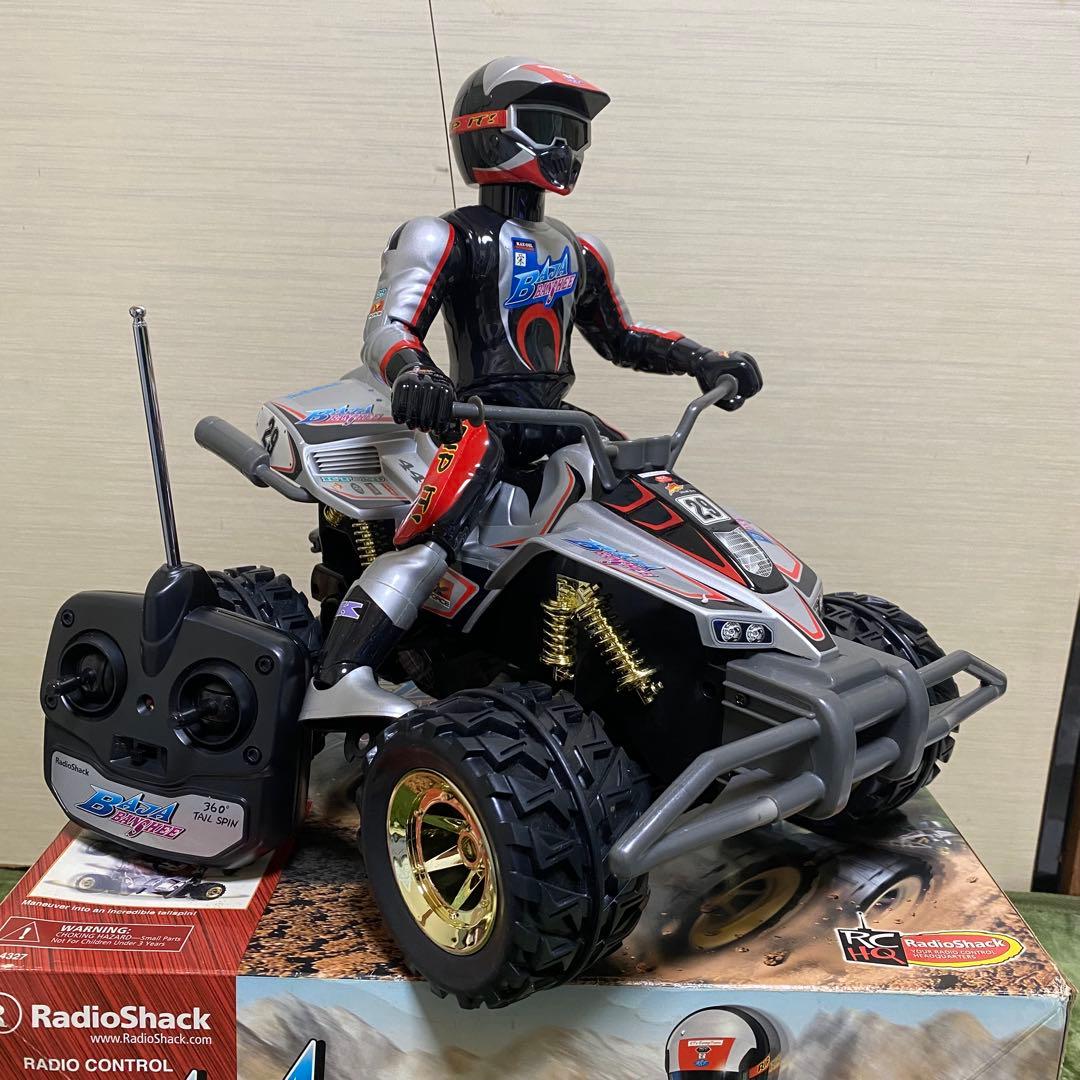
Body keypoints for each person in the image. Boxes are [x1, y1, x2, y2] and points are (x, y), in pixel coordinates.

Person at [306, 56, 762, 719]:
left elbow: (622, 337)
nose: (565, 148)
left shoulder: (579, 249)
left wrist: (704, 359)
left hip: (559, 422)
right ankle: (337, 679)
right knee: (431, 543)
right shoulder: (444, 235)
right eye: (549, 128)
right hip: (476, 421)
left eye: (575, 134)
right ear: (491, 130)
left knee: (647, 497)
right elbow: (389, 327)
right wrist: (417, 375)